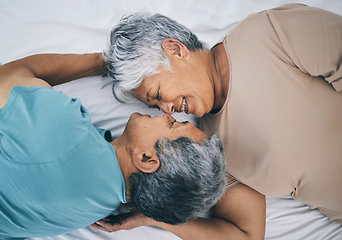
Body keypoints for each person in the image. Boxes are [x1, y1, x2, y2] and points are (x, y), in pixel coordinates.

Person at [101, 3, 342, 239]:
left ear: (175, 50)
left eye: (158, 95)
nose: (167, 110)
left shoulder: (268, 34)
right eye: (155, 106)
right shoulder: (207, 147)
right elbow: (245, 235)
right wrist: (154, 218)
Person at [0, 53, 226, 239]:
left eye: (173, 125)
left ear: (145, 158)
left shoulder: (66, 132)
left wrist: (107, 62)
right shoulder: (105, 206)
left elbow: (2, 76)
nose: (166, 114)